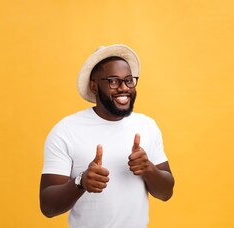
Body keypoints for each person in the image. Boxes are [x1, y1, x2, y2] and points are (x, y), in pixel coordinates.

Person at [40, 44, 175, 228]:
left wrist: (149, 169)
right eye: (113, 81)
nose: (124, 88)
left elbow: (166, 193)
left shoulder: (147, 126)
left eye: (129, 80)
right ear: (94, 86)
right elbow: (48, 207)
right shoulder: (66, 131)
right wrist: (80, 182)